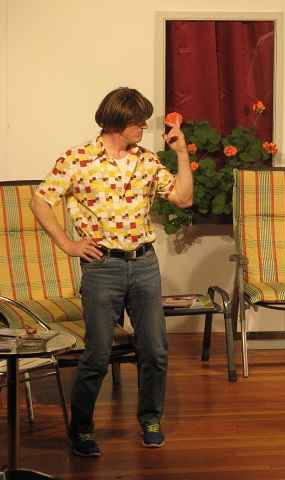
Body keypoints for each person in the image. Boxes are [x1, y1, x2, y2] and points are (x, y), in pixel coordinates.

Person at [30, 87, 192, 457]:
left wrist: (182, 153)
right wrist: (67, 244)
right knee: (98, 353)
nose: (145, 126)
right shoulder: (77, 159)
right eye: (139, 121)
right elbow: (40, 200)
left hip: (144, 263)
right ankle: (81, 430)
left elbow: (183, 198)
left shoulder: (147, 160)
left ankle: (150, 420)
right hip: (102, 267)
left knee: (155, 350)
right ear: (118, 121)